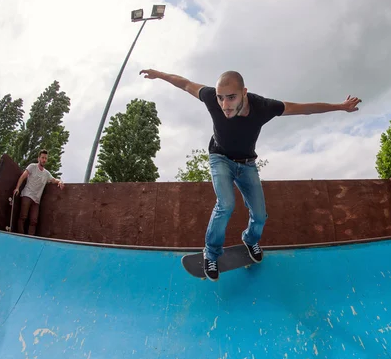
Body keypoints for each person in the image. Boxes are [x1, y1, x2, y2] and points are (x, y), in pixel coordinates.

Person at [139, 69, 361, 281]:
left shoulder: (263, 106)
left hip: (247, 165)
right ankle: (211, 253)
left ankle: (250, 239)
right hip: (220, 159)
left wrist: (340, 106)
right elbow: (185, 83)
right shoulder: (209, 97)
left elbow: (303, 108)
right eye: (220, 98)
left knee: (260, 215)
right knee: (225, 204)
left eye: (231, 98)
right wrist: (158, 75)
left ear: (244, 93)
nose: (224, 105)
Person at [13, 149, 65, 235]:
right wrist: (17, 188)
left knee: (34, 220)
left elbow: (54, 180)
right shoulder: (32, 167)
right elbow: (23, 176)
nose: (44, 160)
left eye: (45, 158)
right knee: (23, 216)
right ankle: (20, 235)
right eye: (42, 158)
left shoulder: (46, 174)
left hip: (36, 200)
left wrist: (60, 181)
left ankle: (30, 238)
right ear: (39, 159)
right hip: (27, 194)